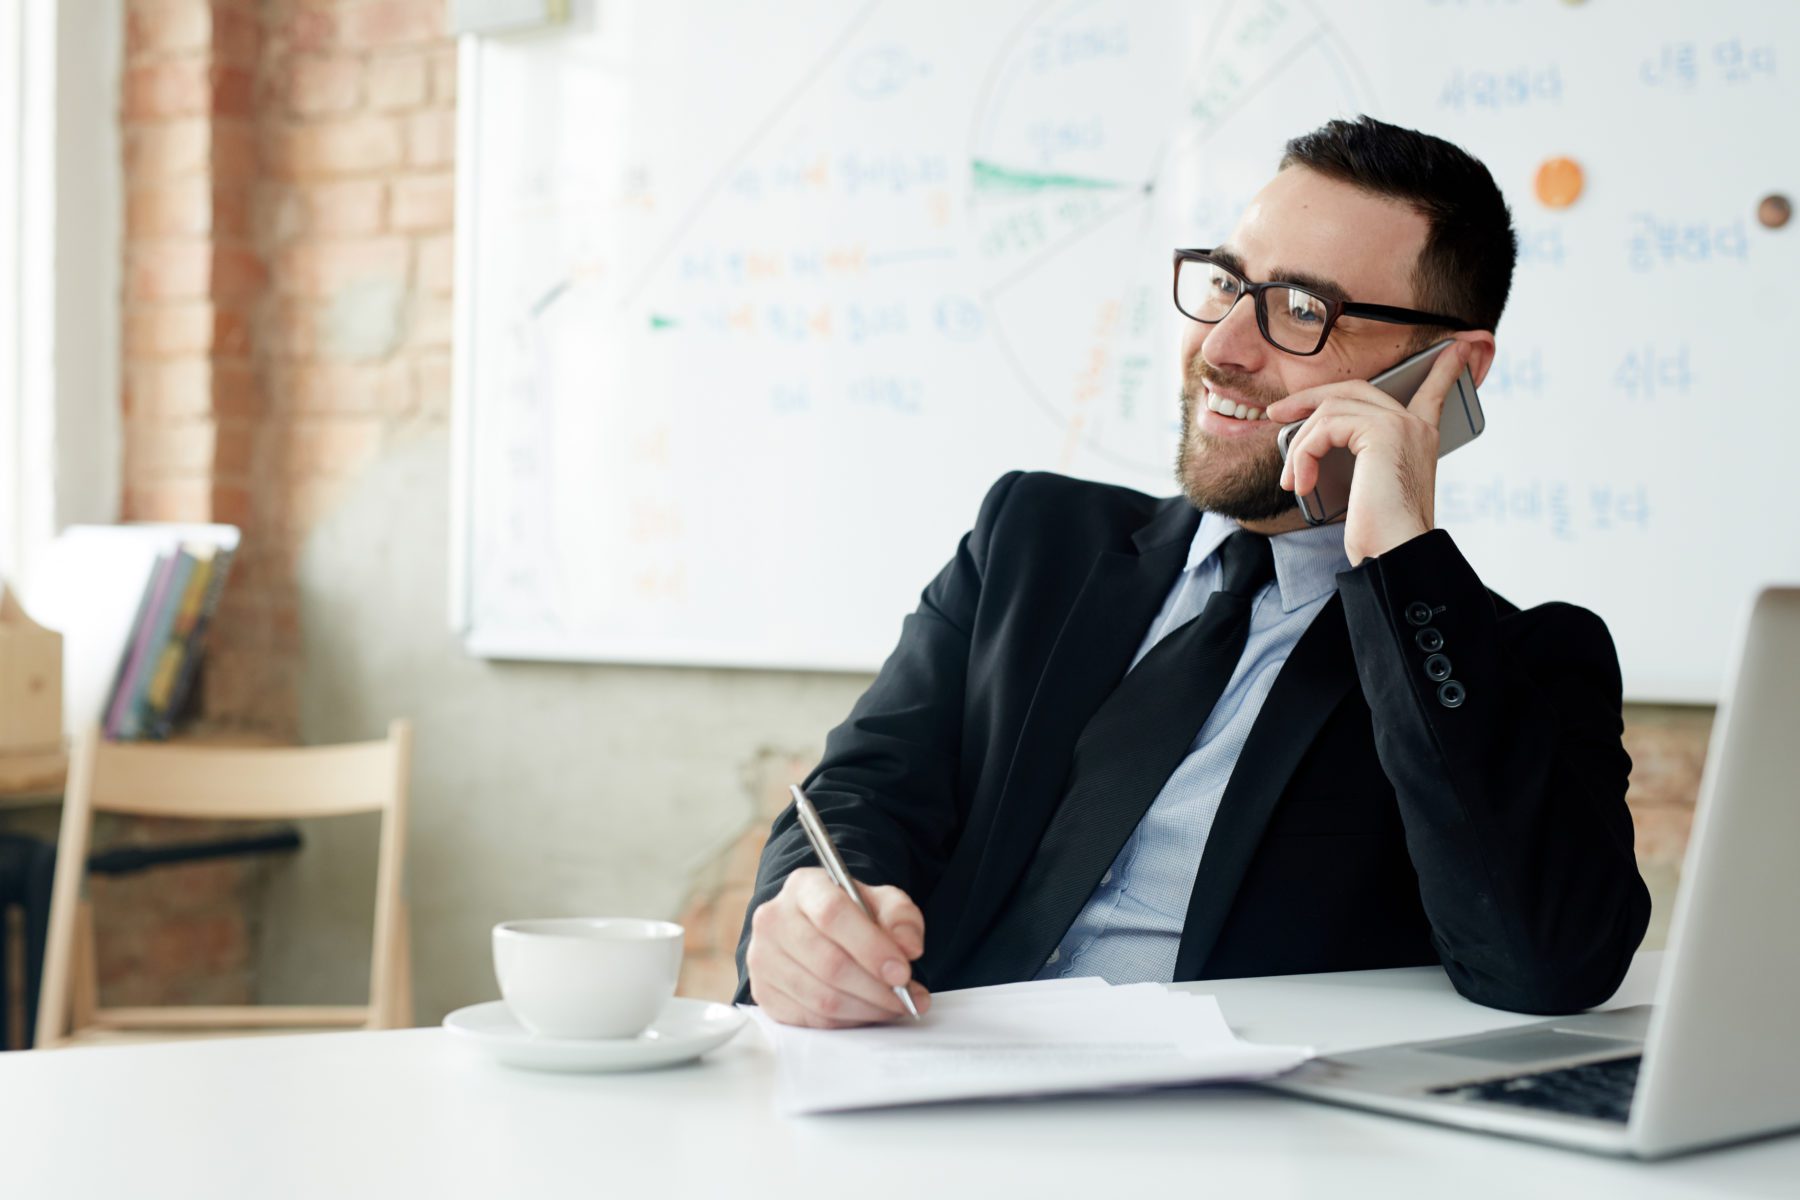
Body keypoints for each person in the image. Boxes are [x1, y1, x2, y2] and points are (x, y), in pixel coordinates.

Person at [736, 115, 1650, 1028]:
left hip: (1229, 1147)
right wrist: (811, 914)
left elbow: (1547, 966)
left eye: (1301, 311)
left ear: (1447, 372)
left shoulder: (1512, 662)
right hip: (928, 1088)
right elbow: (860, 794)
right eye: (1226, 285)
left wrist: (1402, 567)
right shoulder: (1032, 537)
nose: (1221, 347)